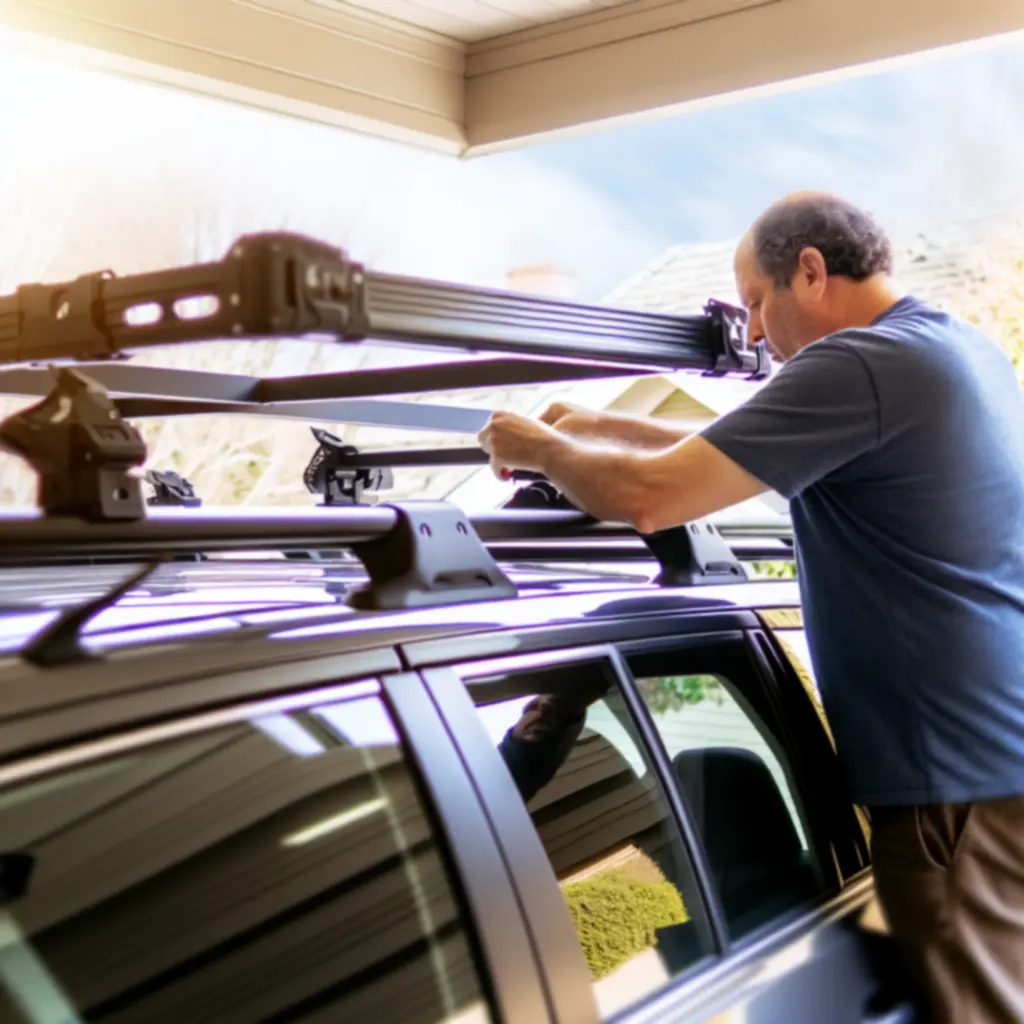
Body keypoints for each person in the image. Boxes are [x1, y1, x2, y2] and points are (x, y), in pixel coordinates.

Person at [478, 191, 1024, 1024]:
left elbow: (655, 501)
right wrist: (596, 425)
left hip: (952, 789)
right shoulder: (948, 349)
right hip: (989, 764)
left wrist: (537, 448)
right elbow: (741, 446)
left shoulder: (861, 367)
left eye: (756, 304)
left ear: (809, 271)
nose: (756, 333)